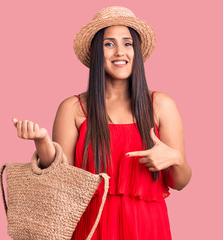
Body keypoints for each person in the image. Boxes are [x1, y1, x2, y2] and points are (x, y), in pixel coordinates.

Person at [12, 6, 192, 240]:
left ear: (136, 52)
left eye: (128, 44)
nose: (120, 52)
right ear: (97, 52)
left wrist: (175, 159)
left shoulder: (161, 105)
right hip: (91, 228)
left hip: (148, 229)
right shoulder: (73, 108)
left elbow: (180, 182)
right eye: (109, 44)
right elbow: (60, 182)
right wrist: (42, 143)